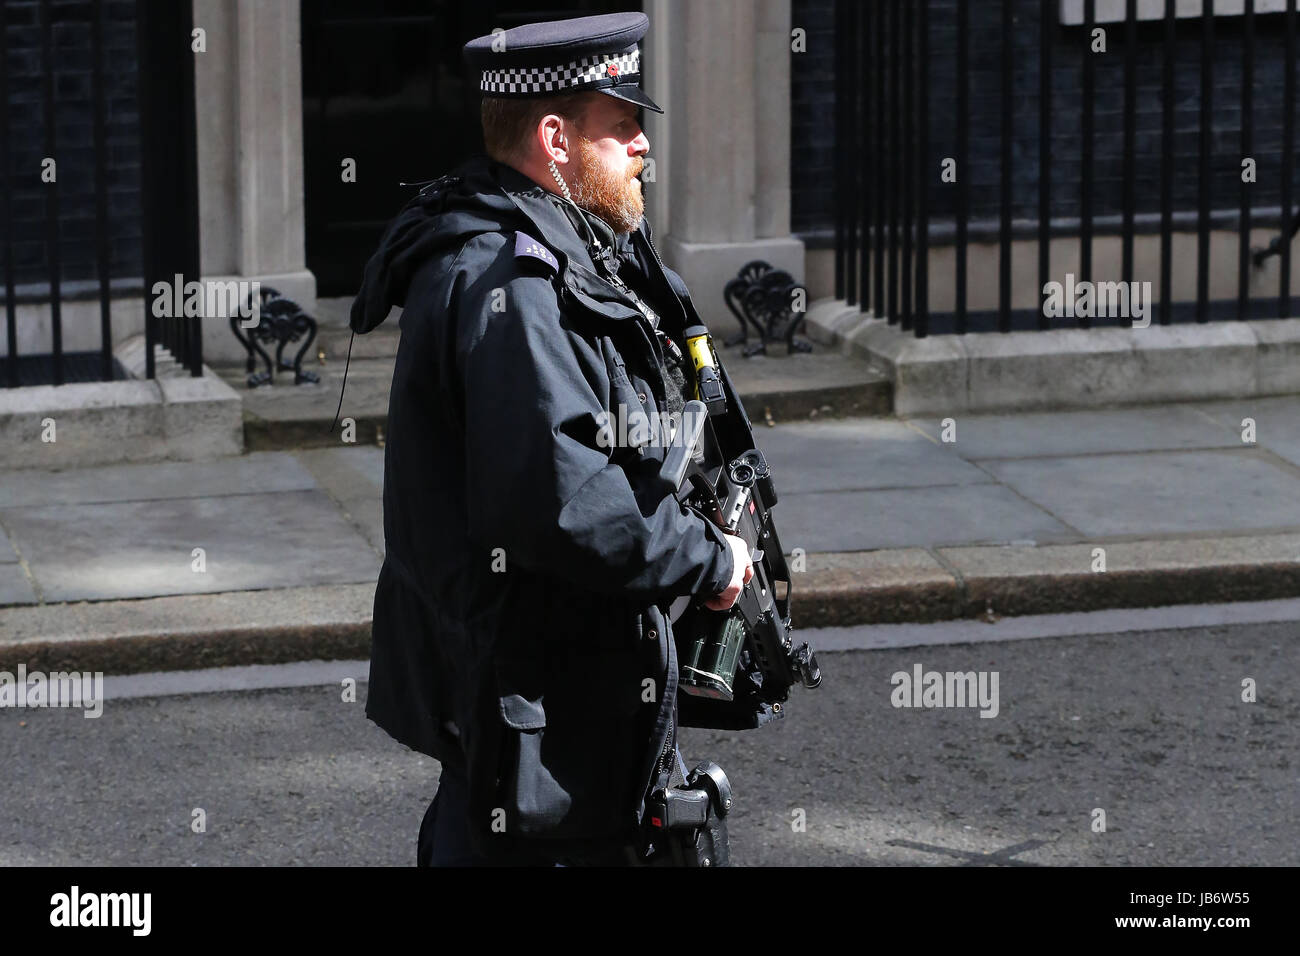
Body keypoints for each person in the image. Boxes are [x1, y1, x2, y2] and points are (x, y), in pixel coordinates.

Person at [349, 11, 753, 867]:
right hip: (539, 749)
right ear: (555, 137)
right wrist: (706, 562)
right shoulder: (512, 286)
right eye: (623, 125)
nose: (643, 144)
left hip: (567, 726)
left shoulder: (567, 252)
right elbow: (563, 500)